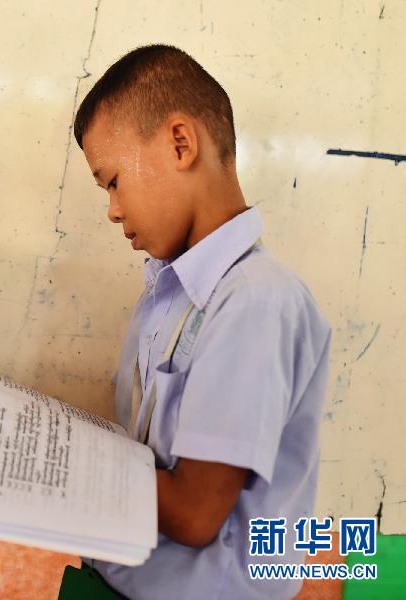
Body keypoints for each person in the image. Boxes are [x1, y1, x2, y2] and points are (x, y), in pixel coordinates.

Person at [68, 45, 332, 599]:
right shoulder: (168, 294)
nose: (112, 209)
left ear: (180, 144)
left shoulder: (255, 302)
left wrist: (62, 466)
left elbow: (194, 515)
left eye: (113, 181)